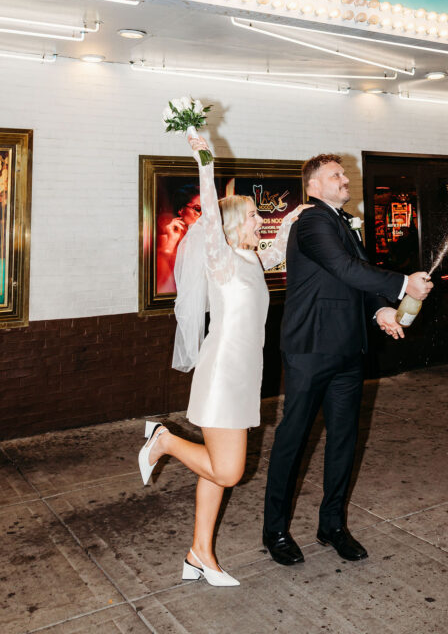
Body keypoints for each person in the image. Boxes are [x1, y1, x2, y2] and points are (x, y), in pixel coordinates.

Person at [138, 134, 309, 587]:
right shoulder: (222, 260)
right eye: (254, 216)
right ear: (232, 225)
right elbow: (211, 214)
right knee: (230, 470)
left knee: (214, 471)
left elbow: (276, 250)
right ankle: (165, 440)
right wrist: (204, 158)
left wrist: (291, 217)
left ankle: (199, 554)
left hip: (243, 376)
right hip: (222, 376)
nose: (260, 221)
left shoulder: (250, 259)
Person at [263, 153, 433, 566]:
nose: (344, 179)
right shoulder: (313, 221)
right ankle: (275, 531)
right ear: (314, 187)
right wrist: (402, 283)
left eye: (343, 173)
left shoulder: (342, 222)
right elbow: (342, 267)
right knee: (293, 438)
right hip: (310, 348)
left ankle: (332, 525)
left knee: (343, 439)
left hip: (347, 349)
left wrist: (381, 310)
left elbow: (356, 272)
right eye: (335, 175)